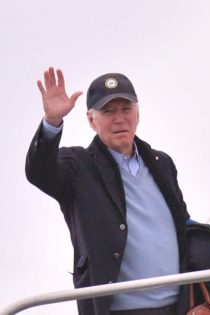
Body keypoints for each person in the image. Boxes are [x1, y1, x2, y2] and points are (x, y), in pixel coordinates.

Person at [25, 67, 190, 315]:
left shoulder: (161, 163)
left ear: (138, 114)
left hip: (180, 306)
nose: (119, 118)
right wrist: (52, 123)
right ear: (92, 120)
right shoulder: (78, 166)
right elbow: (39, 172)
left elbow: (183, 224)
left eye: (126, 109)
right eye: (108, 111)